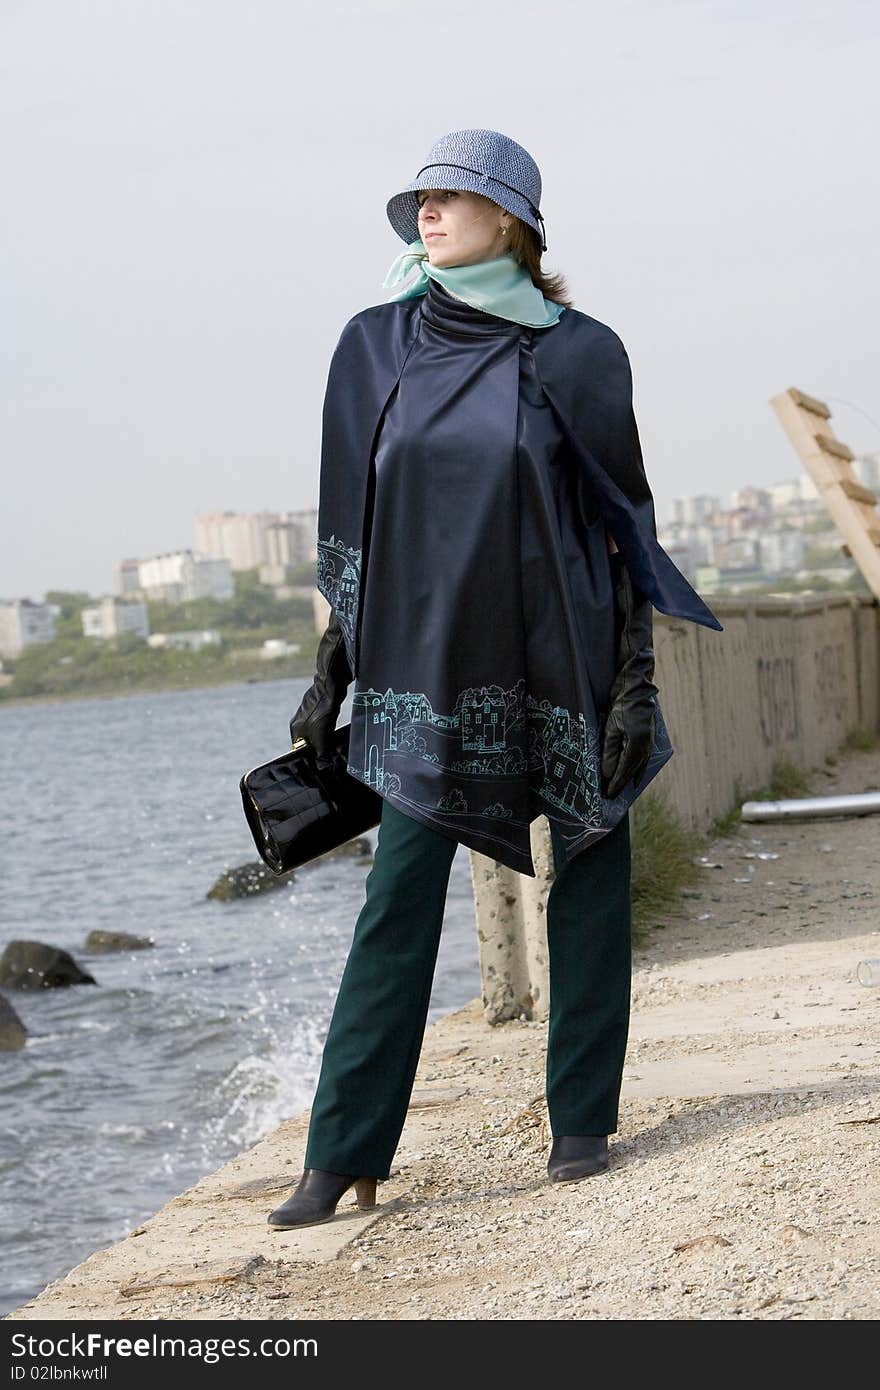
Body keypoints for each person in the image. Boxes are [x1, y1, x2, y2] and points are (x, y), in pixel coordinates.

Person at [268, 130, 722, 1229]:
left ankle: (582, 1122)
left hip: (561, 649)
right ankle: (344, 1150)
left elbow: (623, 528)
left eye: (450, 197)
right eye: (418, 198)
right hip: (424, 668)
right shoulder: (371, 346)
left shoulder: (577, 350)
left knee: (591, 871)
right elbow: (351, 520)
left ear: (509, 219)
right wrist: (335, 666)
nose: (427, 213)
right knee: (396, 900)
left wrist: (633, 682)